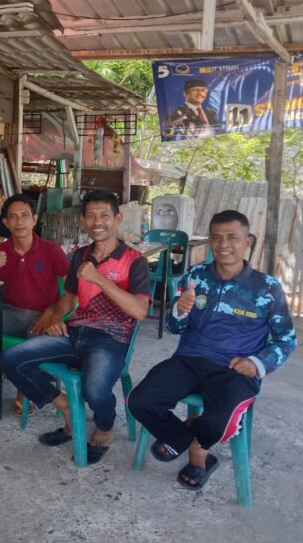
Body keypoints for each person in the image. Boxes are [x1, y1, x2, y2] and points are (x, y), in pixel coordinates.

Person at [127, 210, 297, 492]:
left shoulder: (266, 288)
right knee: (139, 400)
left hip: (234, 368)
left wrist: (257, 363)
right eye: (216, 238)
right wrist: (179, 312)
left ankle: (198, 450)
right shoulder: (195, 276)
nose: (224, 244)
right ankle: (185, 438)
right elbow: (174, 328)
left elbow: (286, 339)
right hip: (189, 360)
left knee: (220, 420)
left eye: (233, 237)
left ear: (248, 241)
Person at [0, 189, 150, 464]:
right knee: (11, 359)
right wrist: (57, 318)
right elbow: (69, 298)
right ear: (82, 221)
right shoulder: (80, 256)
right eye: (91, 216)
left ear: (117, 219)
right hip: (75, 333)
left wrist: (100, 279)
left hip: (110, 339)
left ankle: (104, 427)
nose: (97, 222)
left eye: (104, 215)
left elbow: (140, 311)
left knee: (94, 389)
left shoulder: (135, 261)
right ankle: (66, 407)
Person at [0, 194, 70, 419]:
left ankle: (24, 391)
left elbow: (71, 289)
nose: (19, 222)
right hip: (8, 312)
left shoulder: (52, 250)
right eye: (13, 217)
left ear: (34, 220)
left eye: (25, 216)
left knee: (34, 342)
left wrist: (53, 314)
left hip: (41, 314)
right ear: (6, 223)